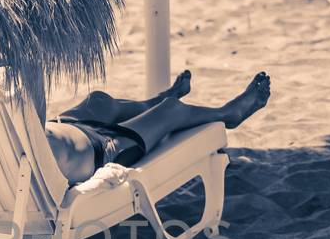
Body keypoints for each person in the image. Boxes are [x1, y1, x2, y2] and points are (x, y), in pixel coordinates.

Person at [44, 70, 271, 184]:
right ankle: (228, 114)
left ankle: (156, 100)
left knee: (98, 100)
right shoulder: (29, 165)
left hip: (68, 126)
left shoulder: (12, 138)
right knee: (171, 109)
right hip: (104, 148)